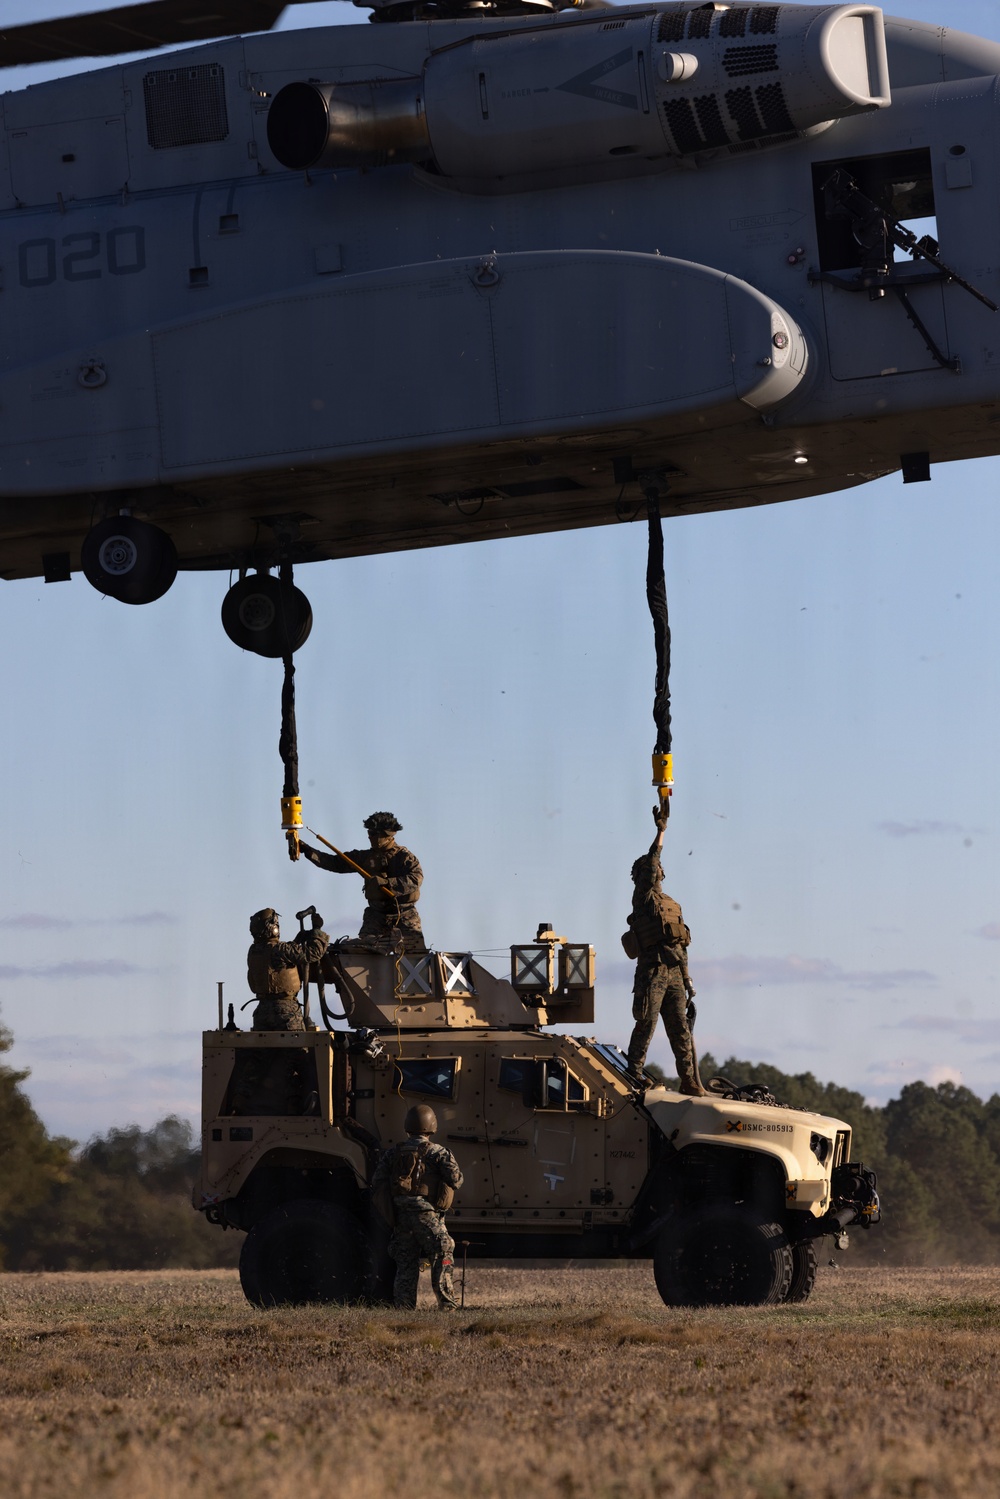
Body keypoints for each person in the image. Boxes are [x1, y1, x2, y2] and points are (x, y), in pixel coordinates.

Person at [624, 809, 705, 1095]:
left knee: (680, 1029)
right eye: (650, 869)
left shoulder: (671, 903)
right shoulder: (643, 898)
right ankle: (633, 1072)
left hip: (674, 974)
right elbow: (651, 861)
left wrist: (686, 980)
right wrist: (661, 832)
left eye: (657, 869)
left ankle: (689, 1080)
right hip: (652, 971)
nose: (656, 871)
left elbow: (681, 944)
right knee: (647, 1022)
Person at [372, 1103, 464, 1310]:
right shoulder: (439, 1153)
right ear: (432, 1126)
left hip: (400, 1216)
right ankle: (447, 1304)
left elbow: (377, 1181)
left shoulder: (393, 1153)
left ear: (407, 1126)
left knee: (406, 1263)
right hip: (427, 1215)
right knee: (443, 1252)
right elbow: (456, 1180)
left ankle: (404, 1308)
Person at [296, 811, 425, 952]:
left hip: (405, 915)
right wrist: (307, 850)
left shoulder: (404, 857)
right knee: (362, 953)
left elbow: (415, 878)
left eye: (373, 833)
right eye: (368, 832)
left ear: (387, 835)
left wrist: (387, 883)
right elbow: (335, 863)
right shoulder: (365, 857)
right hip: (376, 916)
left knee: (415, 957)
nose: (369, 836)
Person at [246, 906, 330, 1031]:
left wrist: (296, 941)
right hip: (285, 1012)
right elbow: (313, 953)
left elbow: (278, 960)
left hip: (262, 1012)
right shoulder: (280, 949)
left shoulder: (253, 951)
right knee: (296, 1049)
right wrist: (317, 930)